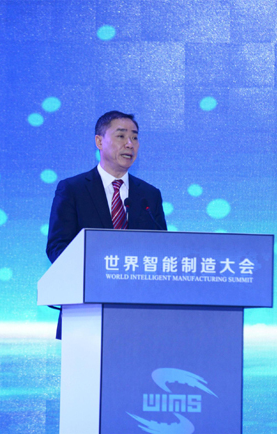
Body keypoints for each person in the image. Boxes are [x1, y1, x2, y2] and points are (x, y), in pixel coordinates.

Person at [46, 110, 167, 338]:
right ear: (99, 141)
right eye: (121, 136)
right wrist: (100, 272)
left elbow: (161, 250)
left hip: (140, 313)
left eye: (135, 137)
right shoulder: (73, 189)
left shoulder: (149, 195)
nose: (130, 144)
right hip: (85, 311)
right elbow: (57, 247)